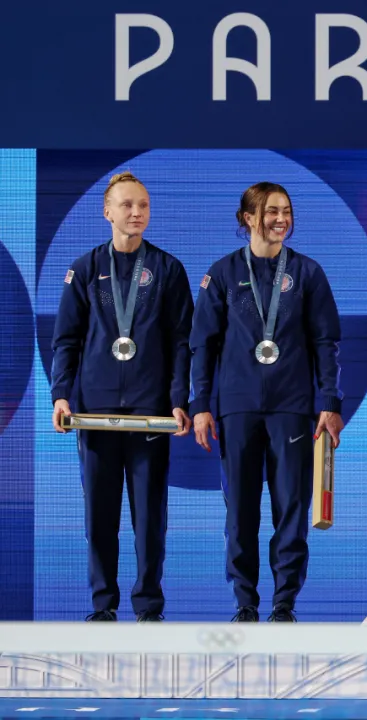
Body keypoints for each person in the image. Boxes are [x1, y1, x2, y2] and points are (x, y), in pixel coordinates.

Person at [189, 182, 344, 623]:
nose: (281, 219)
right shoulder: (222, 274)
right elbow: (202, 345)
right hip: (236, 406)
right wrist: (201, 404)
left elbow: (326, 343)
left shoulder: (308, 273)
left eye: (286, 211)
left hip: (292, 405)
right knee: (239, 509)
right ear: (248, 218)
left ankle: (284, 602)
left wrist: (329, 401)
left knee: (291, 507)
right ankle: (244, 602)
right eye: (272, 211)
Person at [51, 171, 193, 622]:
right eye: (128, 205)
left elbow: (181, 343)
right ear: (107, 212)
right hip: (95, 411)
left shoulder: (168, 270)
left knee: (149, 518)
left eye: (143, 205)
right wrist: (61, 395)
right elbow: (66, 340)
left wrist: (179, 399)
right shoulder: (84, 270)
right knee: (100, 516)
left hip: (150, 411)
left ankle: (148, 606)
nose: (136, 213)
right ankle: (103, 605)